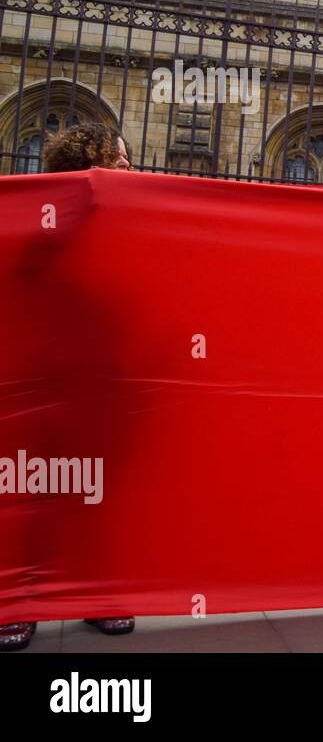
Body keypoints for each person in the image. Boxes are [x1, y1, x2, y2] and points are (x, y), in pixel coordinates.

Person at [0, 123, 134, 652]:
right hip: (41, 371)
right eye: (118, 158)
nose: (128, 166)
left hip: (102, 372)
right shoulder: (43, 214)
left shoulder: (134, 215)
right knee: (32, 493)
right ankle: (18, 600)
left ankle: (95, 595)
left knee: (98, 495)